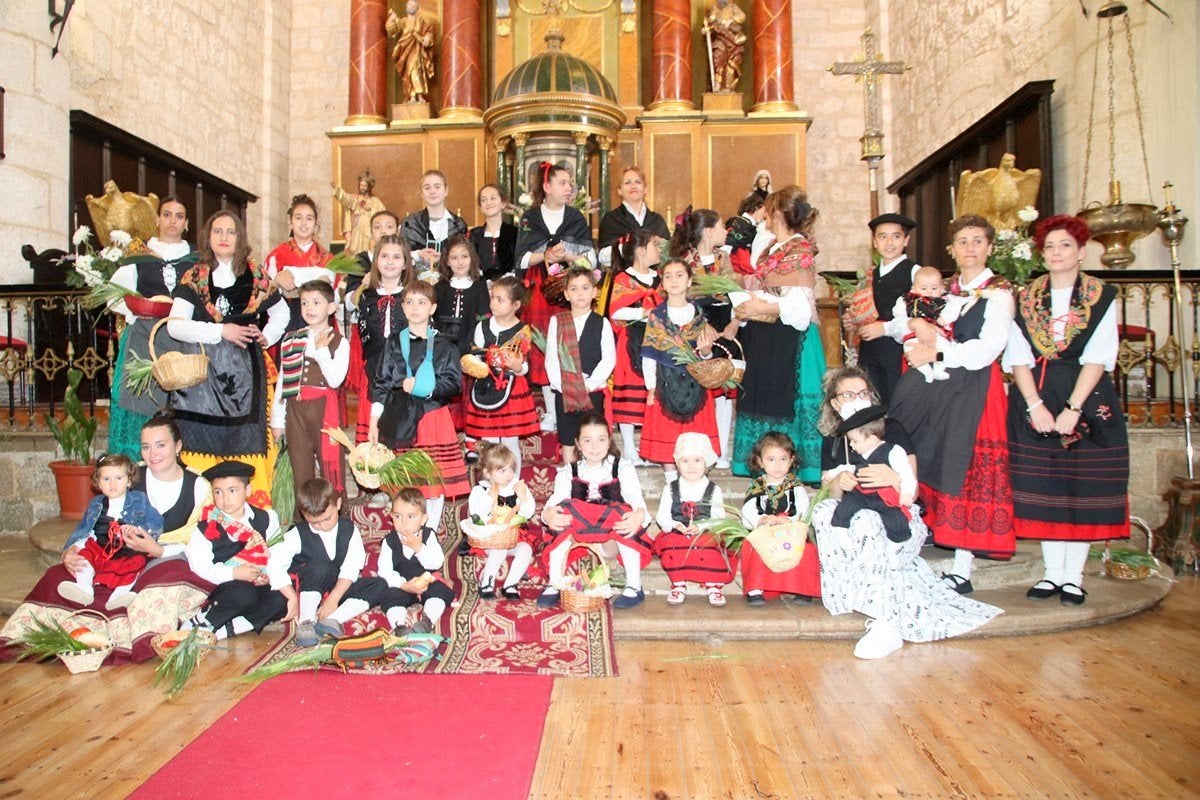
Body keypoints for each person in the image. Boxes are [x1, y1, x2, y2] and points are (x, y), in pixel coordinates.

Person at [812, 367, 1003, 660]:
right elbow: (831, 494)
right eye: (849, 395)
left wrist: (892, 478)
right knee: (826, 511)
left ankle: (885, 619)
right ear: (835, 403)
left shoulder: (893, 429)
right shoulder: (834, 439)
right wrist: (839, 482)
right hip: (856, 513)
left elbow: (910, 492)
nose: (857, 399)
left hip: (896, 516)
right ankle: (849, 592)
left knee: (867, 520)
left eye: (863, 393)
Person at [0, 414, 213, 663]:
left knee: (159, 585)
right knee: (57, 576)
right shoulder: (126, 476)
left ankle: (137, 641)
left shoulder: (198, 486)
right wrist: (71, 550)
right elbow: (93, 521)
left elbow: (202, 539)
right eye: (146, 446)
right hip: (112, 553)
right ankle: (47, 639)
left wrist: (156, 550)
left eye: (161, 445)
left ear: (178, 446)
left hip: (170, 556)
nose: (152, 453)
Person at [1003, 214, 1128, 606]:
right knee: (1045, 486)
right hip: (1037, 394)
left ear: (1081, 251)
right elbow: (1018, 357)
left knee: (1081, 484)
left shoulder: (1100, 295)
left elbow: (1100, 356)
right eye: (1050, 246)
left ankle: (1073, 576)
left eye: (1065, 246)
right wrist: (1034, 404)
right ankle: (1051, 573)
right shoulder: (1026, 297)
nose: (1057, 253)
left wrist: (1074, 407)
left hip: (1087, 396)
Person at [888, 215, 1016, 594]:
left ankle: (962, 567)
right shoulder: (946, 291)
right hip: (941, 389)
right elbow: (901, 327)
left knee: (966, 467)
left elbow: (988, 349)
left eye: (978, 241)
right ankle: (925, 540)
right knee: (932, 458)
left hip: (975, 388)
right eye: (963, 241)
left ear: (990, 247)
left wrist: (937, 356)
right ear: (953, 249)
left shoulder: (999, 293)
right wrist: (915, 323)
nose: (970, 248)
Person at [168, 210, 288, 496]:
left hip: (247, 373)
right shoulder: (193, 276)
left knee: (247, 438)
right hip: (202, 375)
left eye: (231, 232)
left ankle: (251, 505)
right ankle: (200, 506)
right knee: (200, 435)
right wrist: (221, 331)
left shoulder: (256, 273)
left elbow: (282, 314)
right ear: (207, 237)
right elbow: (174, 326)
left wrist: (266, 336)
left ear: (240, 237)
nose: (224, 237)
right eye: (217, 231)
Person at [729, 186, 827, 482]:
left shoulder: (799, 250)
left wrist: (762, 303)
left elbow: (798, 308)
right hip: (764, 338)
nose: (764, 215)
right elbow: (761, 286)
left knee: (788, 399)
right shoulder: (771, 245)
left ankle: (794, 465)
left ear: (779, 214)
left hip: (790, 341)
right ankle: (759, 463)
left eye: (769, 210)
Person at [369, 280, 470, 526]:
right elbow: (381, 383)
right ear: (403, 307)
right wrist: (374, 422)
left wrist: (426, 389)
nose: (415, 308)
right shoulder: (393, 342)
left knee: (433, 481)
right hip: (399, 419)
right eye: (410, 302)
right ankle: (405, 528)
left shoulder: (444, 345)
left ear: (432, 308)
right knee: (404, 480)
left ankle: (431, 530)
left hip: (432, 417)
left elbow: (455, 385)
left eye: (422, 302)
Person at [107, 197, 198, 459]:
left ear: (186, 223)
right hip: (144, 338)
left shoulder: (196, 259)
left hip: (182, 338)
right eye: (167, 214)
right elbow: (113, 295)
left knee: (181, 402)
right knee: (140, 403)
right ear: (157, 220)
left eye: (179, 216)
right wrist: (137, 310)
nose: (172, 220)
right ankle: (137, 463)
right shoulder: (140, 256)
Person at [539, 411, 652, 609]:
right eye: (588, 440)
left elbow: (635, 499)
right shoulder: (568, 471)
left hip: (610, 536)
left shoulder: (623, 467)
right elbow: (556, 500)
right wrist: (547, 513)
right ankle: (555, 583)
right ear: (578, 443)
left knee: (626, 513)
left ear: (609, 441)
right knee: (562, 511)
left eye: (601, 440)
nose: (595, 447)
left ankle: (634, 586)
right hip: (579, 532)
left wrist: (639, 515)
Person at [515, 161, 597, 430]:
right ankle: (550, 411)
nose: (568, 188)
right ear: (547, 187)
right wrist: (546, 256)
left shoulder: (576, 218)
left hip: (570, 290)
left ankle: (571, 406)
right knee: (543, 346)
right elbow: (522, 259)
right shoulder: (530, 218)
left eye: (570, 184)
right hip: (540, 290)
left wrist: (568, 255)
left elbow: (591, 260)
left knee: (569, 345)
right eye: (563, 183)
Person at [181, 461, 293, 640]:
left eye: (233, 490)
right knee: (244, 595)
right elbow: (200, 567)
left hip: (256, 583)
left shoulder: (265, 518)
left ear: (248, 490)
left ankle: (228, 629)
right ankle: (203, 620)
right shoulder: (207, 526)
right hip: (222, 585)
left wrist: (267, 575)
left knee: (281, 599)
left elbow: (275, 556)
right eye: (218, 492)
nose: (225, 499)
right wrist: (234, 572)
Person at [273, 478, 392, 647]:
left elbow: (352, 566)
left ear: (338, 503)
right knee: (321, 567)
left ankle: (330, 621)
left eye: (327, 518)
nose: (322, 525)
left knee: (379, 585)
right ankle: (306, 623)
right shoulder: (296, 534)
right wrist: (290, 596)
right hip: (308, 589)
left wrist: (334, 599)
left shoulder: (349, 530)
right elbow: (275, 564)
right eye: (314, 522)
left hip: (335, 589)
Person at [638, 259, 721, 478]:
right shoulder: (657, 317)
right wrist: (650, 387)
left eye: (679, 275)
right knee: (668, 433)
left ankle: (695, 482)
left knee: (695, 436)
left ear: (689, 280)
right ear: (662, 283)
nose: (673, 280)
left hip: (696, 383)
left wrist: (705, 351)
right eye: (668, 276)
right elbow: (649, 354)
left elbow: (706, 357)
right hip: (665, 382)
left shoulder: (699, 316)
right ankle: (671, 482)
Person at [670, 207, 739, 465]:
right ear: (709, 232)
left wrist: (736, 321)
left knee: (725, 388)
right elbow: (678, 298)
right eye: (722, 226)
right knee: (702, 388)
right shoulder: (686, 262)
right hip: (697, 326)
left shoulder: (724, 259)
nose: (726, 232)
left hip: (726, 326)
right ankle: (698, 449)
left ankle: (720, 449)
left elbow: (736, 295)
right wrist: (700, 325)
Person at [271, 280, 349, 499]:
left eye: (316, 302)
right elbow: (283, 380)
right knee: (300, 466)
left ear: (331, 307)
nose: (310, 308)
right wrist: (277, 421)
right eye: (304, 303)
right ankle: (302, 520)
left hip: (324, 409)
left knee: (330, 467)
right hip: (295, 409)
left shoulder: (339, 342)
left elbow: (335, 380)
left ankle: (336, 515)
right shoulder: (291, 339)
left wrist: (322, 350)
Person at [57, 454, 164, 609]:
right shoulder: (96, 503)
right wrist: (73, 547)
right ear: (98, 482)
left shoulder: (139, 499)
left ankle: (120, 595)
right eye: (106, 479)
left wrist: (140, 530)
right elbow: (85, 528)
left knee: (136, 565)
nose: (113, 484)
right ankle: (84, 588)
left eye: (119, 478)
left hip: (127, 550)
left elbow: (157, 521)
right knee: (84, 555)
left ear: (128, 480)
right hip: (101, 547)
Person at [464, 276, 539, 470]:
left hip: (511, 388)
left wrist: (516, 366)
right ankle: (492, 483)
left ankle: (513, 481)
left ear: (515, 305)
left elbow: (525, 368)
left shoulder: (522, 331)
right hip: (486, 386)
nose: (493, 304)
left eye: (500, 300)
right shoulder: (482, 326)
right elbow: (476, 354)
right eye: (493, 298)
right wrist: (472, 364)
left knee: (509, 442)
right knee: (489, 440)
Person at [738, 431, 821, 607]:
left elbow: (803, 510)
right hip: (766, 535)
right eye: (771, 459)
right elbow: (748, 511)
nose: (777, 465)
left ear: (791, 460)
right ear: (760, 461)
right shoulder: (757, 487)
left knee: (807, 550)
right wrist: (761, 520)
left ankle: (802, 588)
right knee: (752, 548)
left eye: (783, 459)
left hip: (791, 533)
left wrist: (791, 520)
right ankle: (756, 588)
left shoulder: (796, 487)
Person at [545, 265, 615, 465]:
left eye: (585, 288)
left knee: (593, 437)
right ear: (566, 294)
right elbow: (551, 358)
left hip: (591, 392)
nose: (580, 293)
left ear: (594, 292)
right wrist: (563, 386)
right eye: (573, 289)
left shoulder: (602, 323)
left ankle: (594, 477)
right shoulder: (556, 321)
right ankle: (571, 478)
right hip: (564, 392)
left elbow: (608, 359)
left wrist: (589, 384)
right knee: (568, 439)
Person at [652, 432, 733, 607]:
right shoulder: (670, 489)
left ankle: (713, 584)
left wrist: (703, 525)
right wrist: (675, 525)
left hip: (704, 533)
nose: (691, 466)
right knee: (672, 547)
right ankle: (679, 583)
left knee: (711, 547)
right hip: (678, 533)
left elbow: (719, 518)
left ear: (706, 464)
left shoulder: (713, 490)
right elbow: (662, 516)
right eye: (685, 461)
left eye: (697, 460)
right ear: (677, 464)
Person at [347, 234, 411, 442]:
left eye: (396, 257)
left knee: (402, 433)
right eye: (384, 256)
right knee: (374, 435)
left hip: (405, 373)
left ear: (405, 263)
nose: (390, 262)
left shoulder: (412, 296)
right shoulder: (366, 296)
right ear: (375, 261)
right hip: (373, 372)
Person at [607, 229, 663, 461]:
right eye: (655, 245)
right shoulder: (624, 279)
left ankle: (651, 444)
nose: (660, 249)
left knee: (653, 390)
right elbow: (616, 309)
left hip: (658, 341)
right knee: (630, 388)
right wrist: (644, 311)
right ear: (641, 251)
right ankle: (629, 448)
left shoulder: (660, 278)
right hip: (632, 341)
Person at [827, 404, 918, 543]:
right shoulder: (857, 454)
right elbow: (849, 467)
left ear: (872, 439)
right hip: (861, 494)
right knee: (844, 508)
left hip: (884, 497)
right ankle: (841, 534)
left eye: (854, 441)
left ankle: (897, 542)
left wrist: (907, 493)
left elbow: (907, 474)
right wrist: (835, 472)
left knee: (896, 520)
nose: (851, 445)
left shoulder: (893, 451)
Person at [856, 213, 921, 404]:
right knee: (871, 403)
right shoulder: (869, 275)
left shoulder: (915, 272)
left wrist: (884, 327)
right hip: (869, 352)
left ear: (906, 240)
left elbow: (923, 316)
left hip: (899, 352)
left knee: (898, 405)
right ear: (875, 242)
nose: (889, 242)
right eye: (883, 236)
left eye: (896, 236)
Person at [378, 487, 456, 635]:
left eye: (411, 516)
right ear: (391, 516)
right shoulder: (389, 541)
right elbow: (384, 570)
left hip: (427, 582)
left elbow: (437, 562)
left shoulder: (428, 536)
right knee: (390, 597)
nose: (404, 523)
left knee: (439, 592)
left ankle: (427, 622)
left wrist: (419, 548)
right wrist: (404, 585)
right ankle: (399, 627)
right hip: (402, 585)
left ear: (423, 519)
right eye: (398, 516)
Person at [465, 443, 537, 600]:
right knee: (499, 549)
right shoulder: (481, 490)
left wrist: (523, 497)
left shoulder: (516, 487)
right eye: (502, 470)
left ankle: (510, 585)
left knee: (525, 549)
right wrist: (491, 495)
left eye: (511, 469)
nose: (509, 474)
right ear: (488, 473)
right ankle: (487, 584)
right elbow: (477, 515)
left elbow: (528, 513)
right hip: (489, 540)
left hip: (511, 537)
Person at [265, 194, 335, 334]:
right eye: (298, 218)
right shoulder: (277, 256)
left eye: (309, 218)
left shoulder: (327, 258)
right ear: (290, 223)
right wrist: (277, 281)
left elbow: (335, 298)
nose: (304, 223)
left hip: (319, 325)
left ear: (315, 225)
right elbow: (265, 294)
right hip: (287, 323)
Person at [899, 265, 964, 383]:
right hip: (914, 336)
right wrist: (911, 321)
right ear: (913, 289)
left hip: (938, 336)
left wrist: (943, 319)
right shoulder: (908, 300)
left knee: (944, 347)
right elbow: (898, 315)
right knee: (909, 348)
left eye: (934, 288)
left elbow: (954, 309)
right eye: (923, 288)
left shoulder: (946, 301)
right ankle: (926, 371)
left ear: (941, 288)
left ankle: (939, 370)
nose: (929, 291)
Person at [596, 166, 670, 267]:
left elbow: (668, 253)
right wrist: (632, 245)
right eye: (627, 182)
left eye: (638, 182)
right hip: (623, 279)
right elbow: (602, 256)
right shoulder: (611, 219)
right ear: (619, 191)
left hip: (654, 278)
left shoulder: (657, 220)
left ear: (645, 189)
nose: (633, 186)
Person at [400, 170, 468, 279]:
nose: (432, 191)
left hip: (450, 282)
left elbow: (466, 257)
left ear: (446, 190)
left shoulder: (459, 225)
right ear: (422, 193)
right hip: (418, 285)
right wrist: (418, 255)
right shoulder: (410, 224)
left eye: (437, 187)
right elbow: (401, 255)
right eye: (427, 188)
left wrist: (447, 258)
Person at [434, 234, 491, 356]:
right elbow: (434, 319)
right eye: (454, 258)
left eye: (464, 256)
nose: (460, 262)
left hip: (472, 346)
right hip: (442, 348)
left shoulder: (480, 285)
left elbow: (484, 316)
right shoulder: (440, 287)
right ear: (447, 261)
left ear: (472, 258)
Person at [387, 0, 436, 103]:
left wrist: (427, 38)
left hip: (417, 50)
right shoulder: (403, 21)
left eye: (413, 5)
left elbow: (428, 31)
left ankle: (419, 96)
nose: (411, 7)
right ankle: (412, 96)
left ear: (417, 8)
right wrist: (392, 18)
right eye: (409, 5)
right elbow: (393, 30)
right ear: (406, 7)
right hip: (405, 51)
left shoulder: (421, 21)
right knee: (408, 72)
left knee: (416, 69)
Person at [332, 169, 387, 257]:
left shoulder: (376, 202)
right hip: (356, 236)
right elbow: (345, 198)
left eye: (364, 185)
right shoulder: (354, 199)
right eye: (361, 185)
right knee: (355, 258)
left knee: (369, 257)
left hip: (370, 236)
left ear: (369, 187)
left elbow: (384, 216)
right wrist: (336, 189)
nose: (362, 187)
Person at [469, 184, 518, 281]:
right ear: (481, 207)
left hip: (509, 286)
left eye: (493, 198)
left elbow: (518, 262)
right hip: (481, 286)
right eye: (484, 200)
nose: (488, 203)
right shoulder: (474, 235)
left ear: (503, 203)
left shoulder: (514, 233)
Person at [703, 0, 748, 92]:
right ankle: (717, 84)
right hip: (720, 40)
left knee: (730, 64)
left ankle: (727, 86)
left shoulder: (733, 7)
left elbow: (742, 17)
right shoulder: (714, 9)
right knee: (718, 59)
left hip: (733, 41)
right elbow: (710, 21)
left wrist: (731, 20)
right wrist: (708, 26)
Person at [725, 194, 765, 277]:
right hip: (737, 263)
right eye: (764, 210)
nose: (764, 215)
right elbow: (730, 242)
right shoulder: (741, 223)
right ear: (757, 207)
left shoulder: (746, 223)